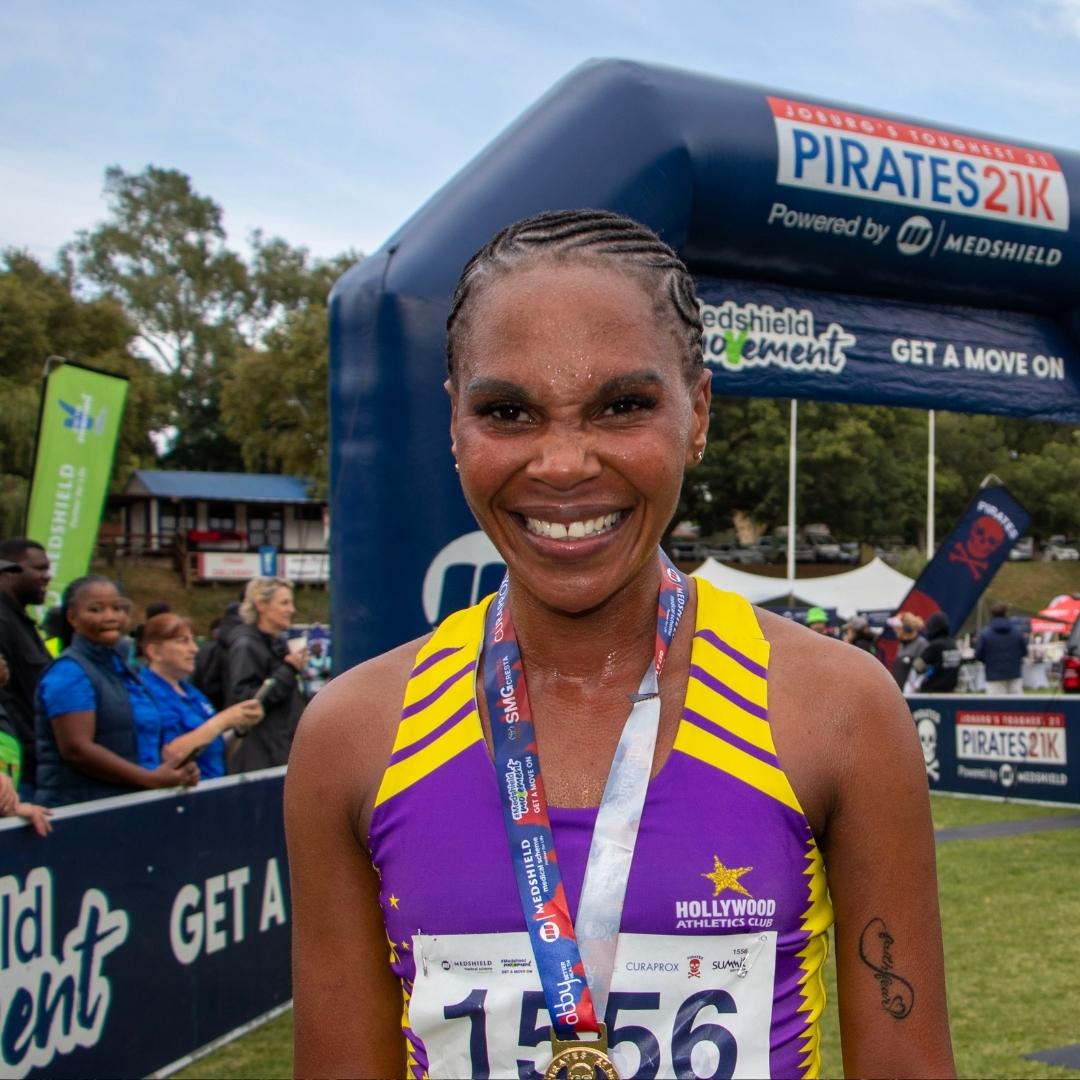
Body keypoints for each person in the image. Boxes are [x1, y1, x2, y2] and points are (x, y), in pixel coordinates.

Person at [285, 210, 954, 1078]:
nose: (563, 465)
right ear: (455, 424)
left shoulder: (838, 708)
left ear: (699, 413)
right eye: (510, 411)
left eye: (624, 405)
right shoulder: (351, 734)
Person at [34, 575, 198, 807]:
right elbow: (77, 749)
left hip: (127, 806)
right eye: (96, 609)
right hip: (81, 813)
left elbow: (134, 733)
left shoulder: (121, 667)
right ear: (73, 617)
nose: (110, 617)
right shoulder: (69, 672)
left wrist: (173, 769)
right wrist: (150, 779)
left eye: (118, 608)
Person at [139, 612, 265, 779]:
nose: (194, 649)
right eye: (183, 641)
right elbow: (171, 755)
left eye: (192, 640)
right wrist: (223, 720)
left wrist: (239, 729)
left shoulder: (190, 692)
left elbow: (215, 749)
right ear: (154, 652)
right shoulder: (145, 694)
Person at [226, 578, 307, 772]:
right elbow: (248, 702)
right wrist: (289, 669)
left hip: (281, 748)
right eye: (284, 603)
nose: (292, 610)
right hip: (261, 755)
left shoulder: (275, 644)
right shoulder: (246, 645)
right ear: (261, 604)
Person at [0, 540, 54, 792]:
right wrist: (33, 746)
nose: (47, 576)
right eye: (40, 569)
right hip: (19, 771)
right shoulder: (3, 622)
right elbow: (7, 699)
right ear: (8, 572)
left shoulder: (22, 623)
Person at [974, 603, 1027, 694]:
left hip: (993, 675)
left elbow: (978, 654)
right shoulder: (1017, 632)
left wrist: (989, 661)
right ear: (1006, 613)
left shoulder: (985, 634)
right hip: (1014, 673)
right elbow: (1024, 651)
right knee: (1016, 706)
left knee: (996, 707)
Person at [913, 612, 963, 693]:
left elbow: (917, 666)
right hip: (951, 691)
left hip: (933, 692)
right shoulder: (953, 643)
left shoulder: (935, 646)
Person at [889, 611, 928, 692]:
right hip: (899, 695)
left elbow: (922, 674)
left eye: (897, 627)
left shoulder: (921, 644)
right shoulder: (901, 645)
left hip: (912, 697)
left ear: (906, 628)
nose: (894, 629)